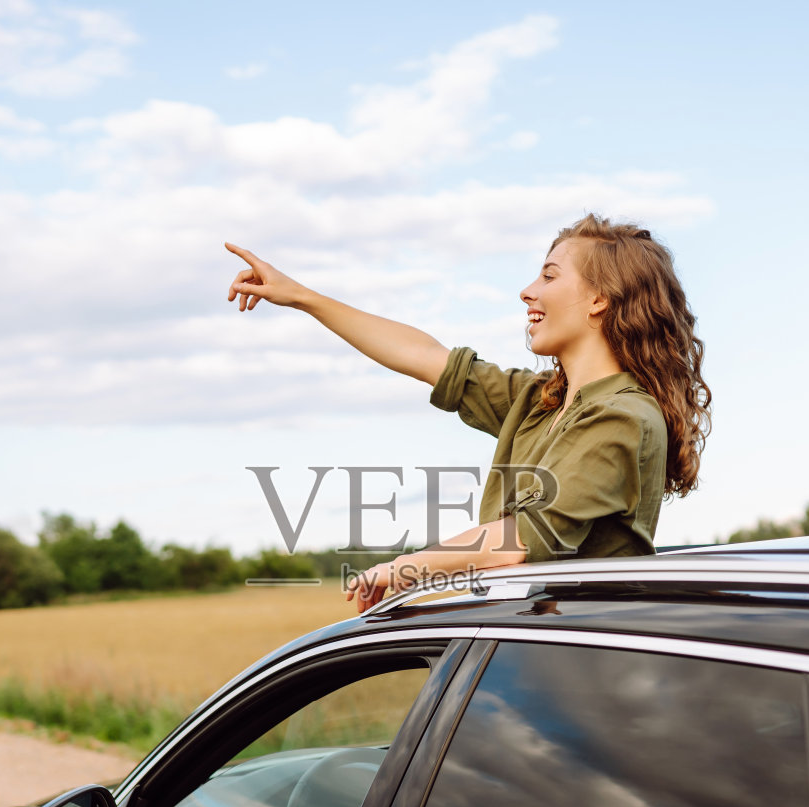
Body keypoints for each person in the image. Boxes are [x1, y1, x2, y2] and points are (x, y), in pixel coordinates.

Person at [225, 213, 710, 614]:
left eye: (549, 275)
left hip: (588, 663)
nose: (527, 291)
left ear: (601, 299)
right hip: (538, 650)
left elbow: (522, 537)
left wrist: (401, 570)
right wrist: (303, 298)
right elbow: (423, 356)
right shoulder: (542, 401)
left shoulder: (623, 416)